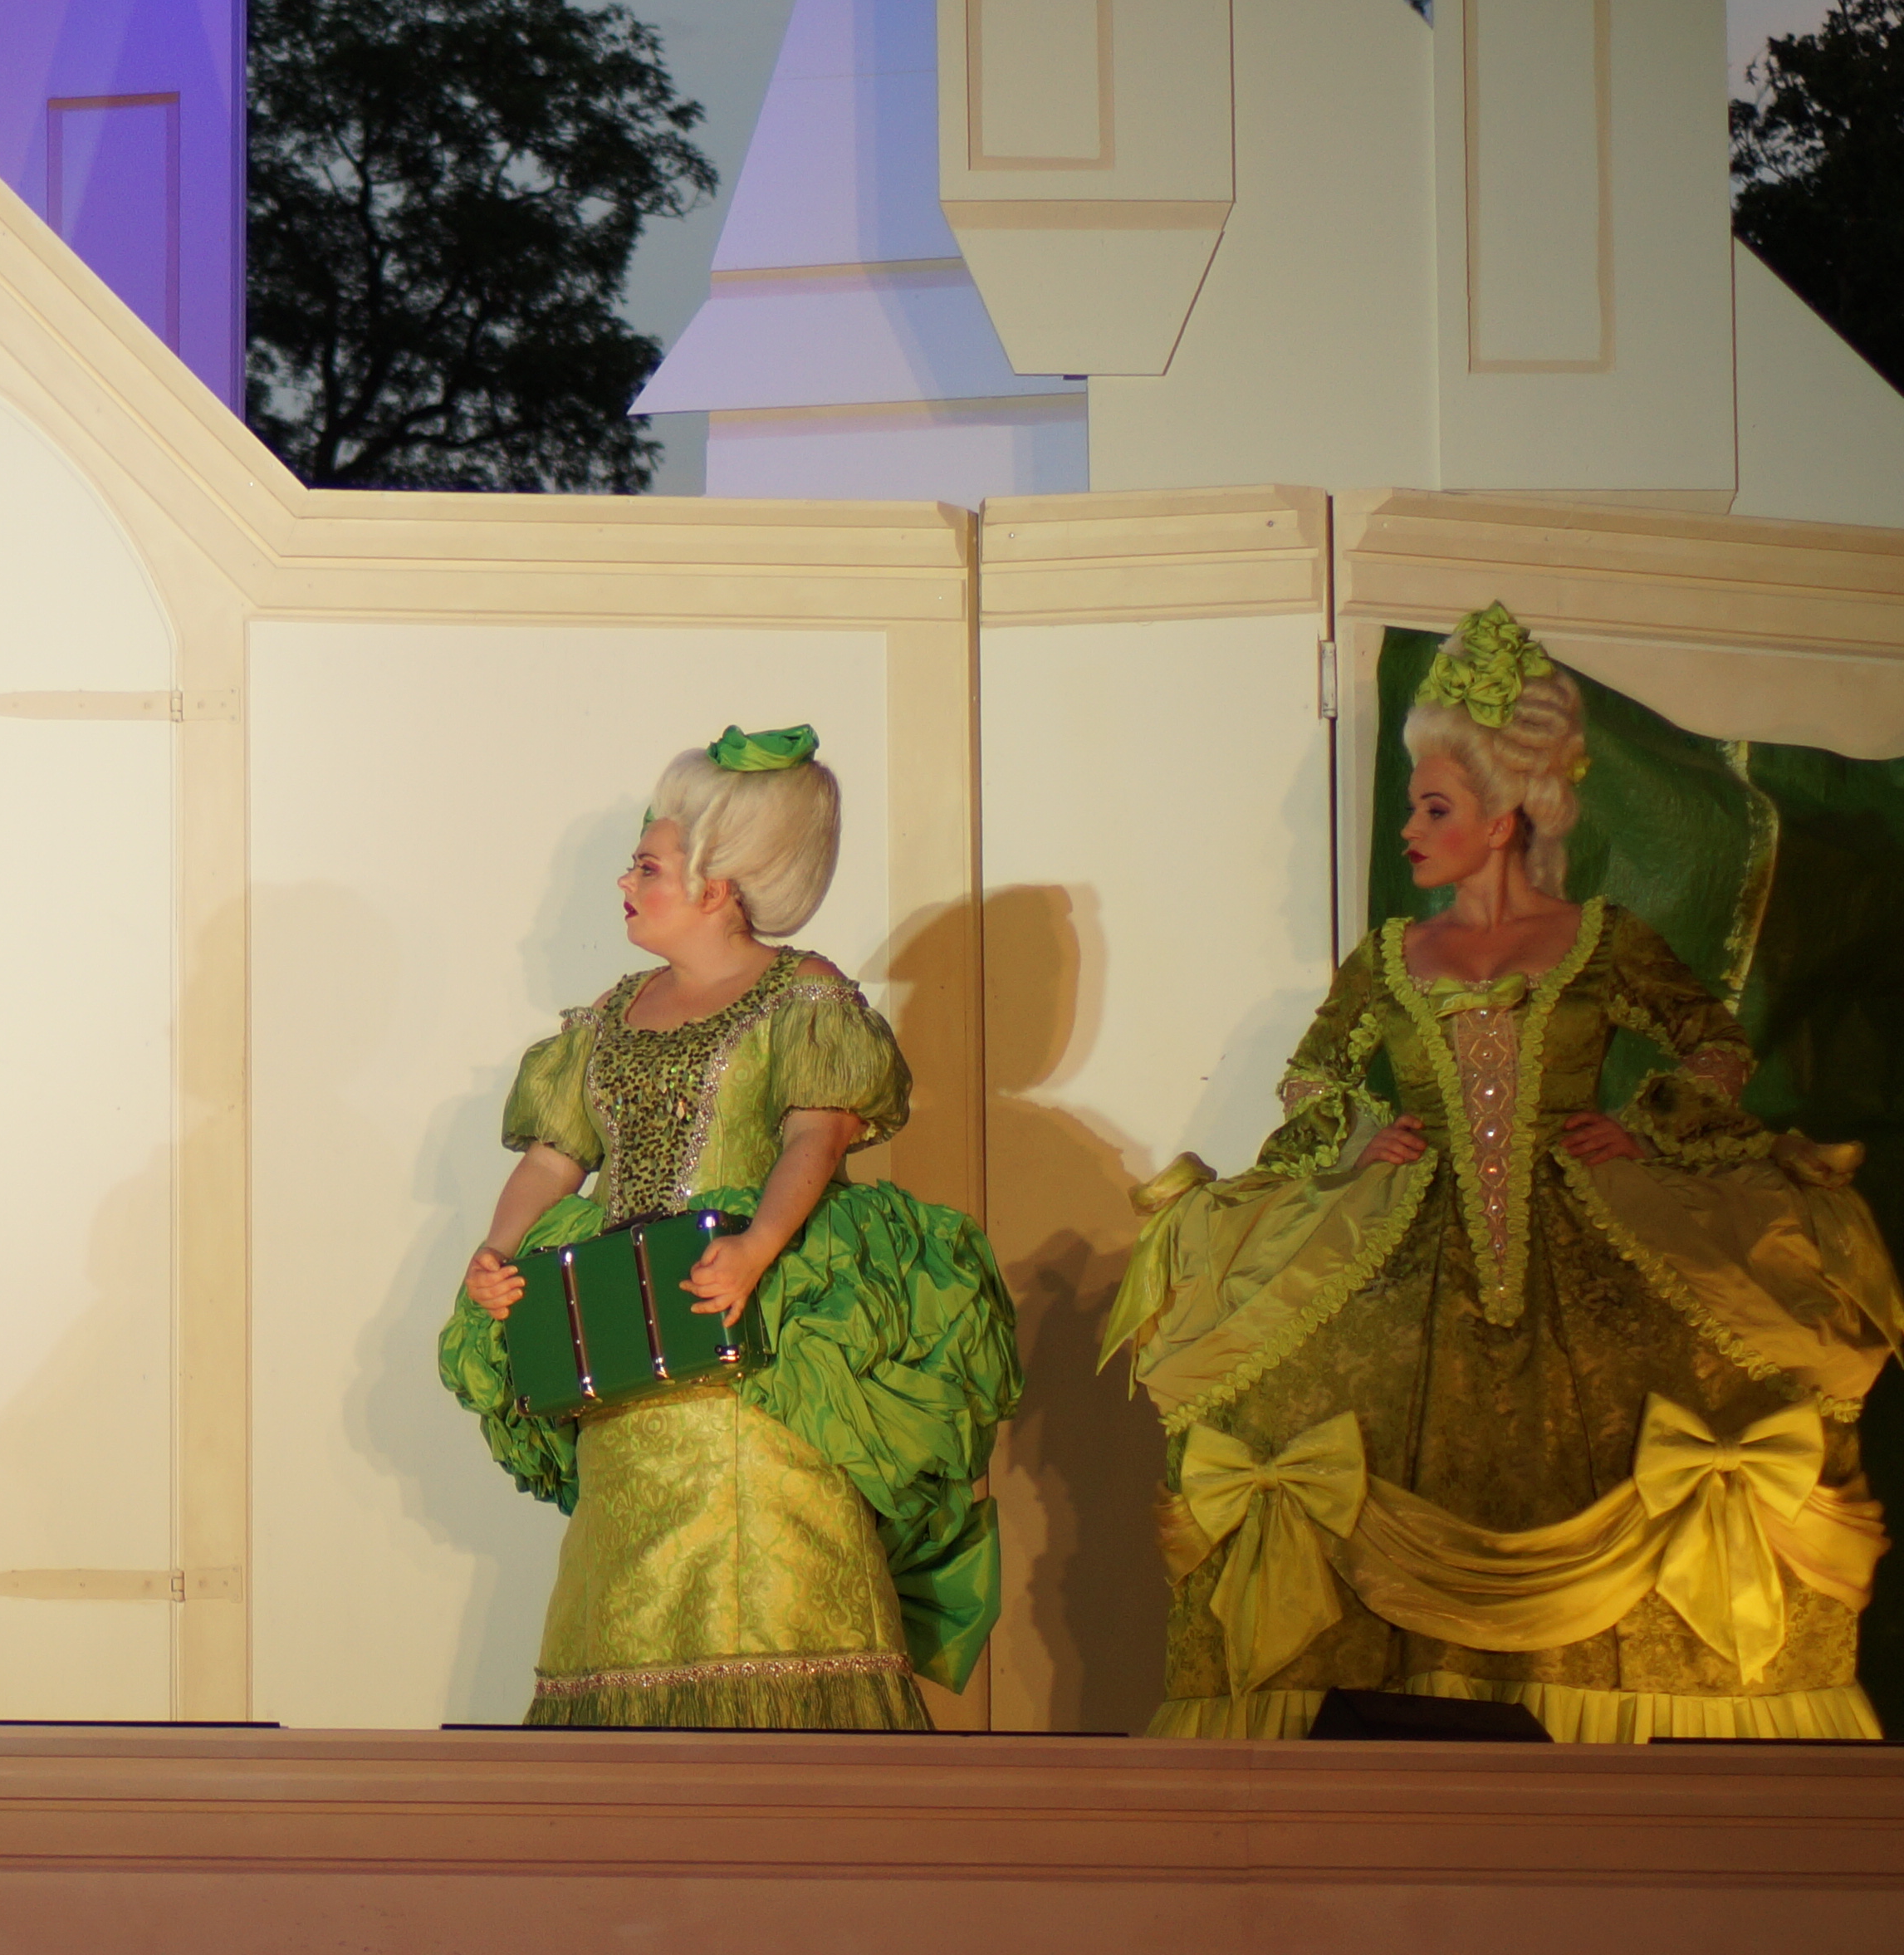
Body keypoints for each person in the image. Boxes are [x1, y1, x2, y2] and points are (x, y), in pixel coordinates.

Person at [1109, 605, 1900, 1740]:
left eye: (1433, 807)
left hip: (1591, 1235)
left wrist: (1647, 1124)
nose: (1410, 831)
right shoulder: (1390, 957)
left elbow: (1714, 1047)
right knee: (1317, 1399)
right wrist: (1355, 1133)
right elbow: (1311, 1074)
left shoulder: (1603, 939)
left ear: (1506, 813)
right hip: (1406, 1246)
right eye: (1411, 807)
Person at [438, 728, 1019, 1728]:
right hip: (628, 1366)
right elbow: (550, 1159)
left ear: (718, 884)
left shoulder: (801, 997)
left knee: (764, 1594)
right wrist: (493, 1254)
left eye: (646, 866)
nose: (624, 882)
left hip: (754, 1351)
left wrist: (754, 1248)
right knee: (624, 1603)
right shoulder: (607, 1016)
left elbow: (815, 1137)